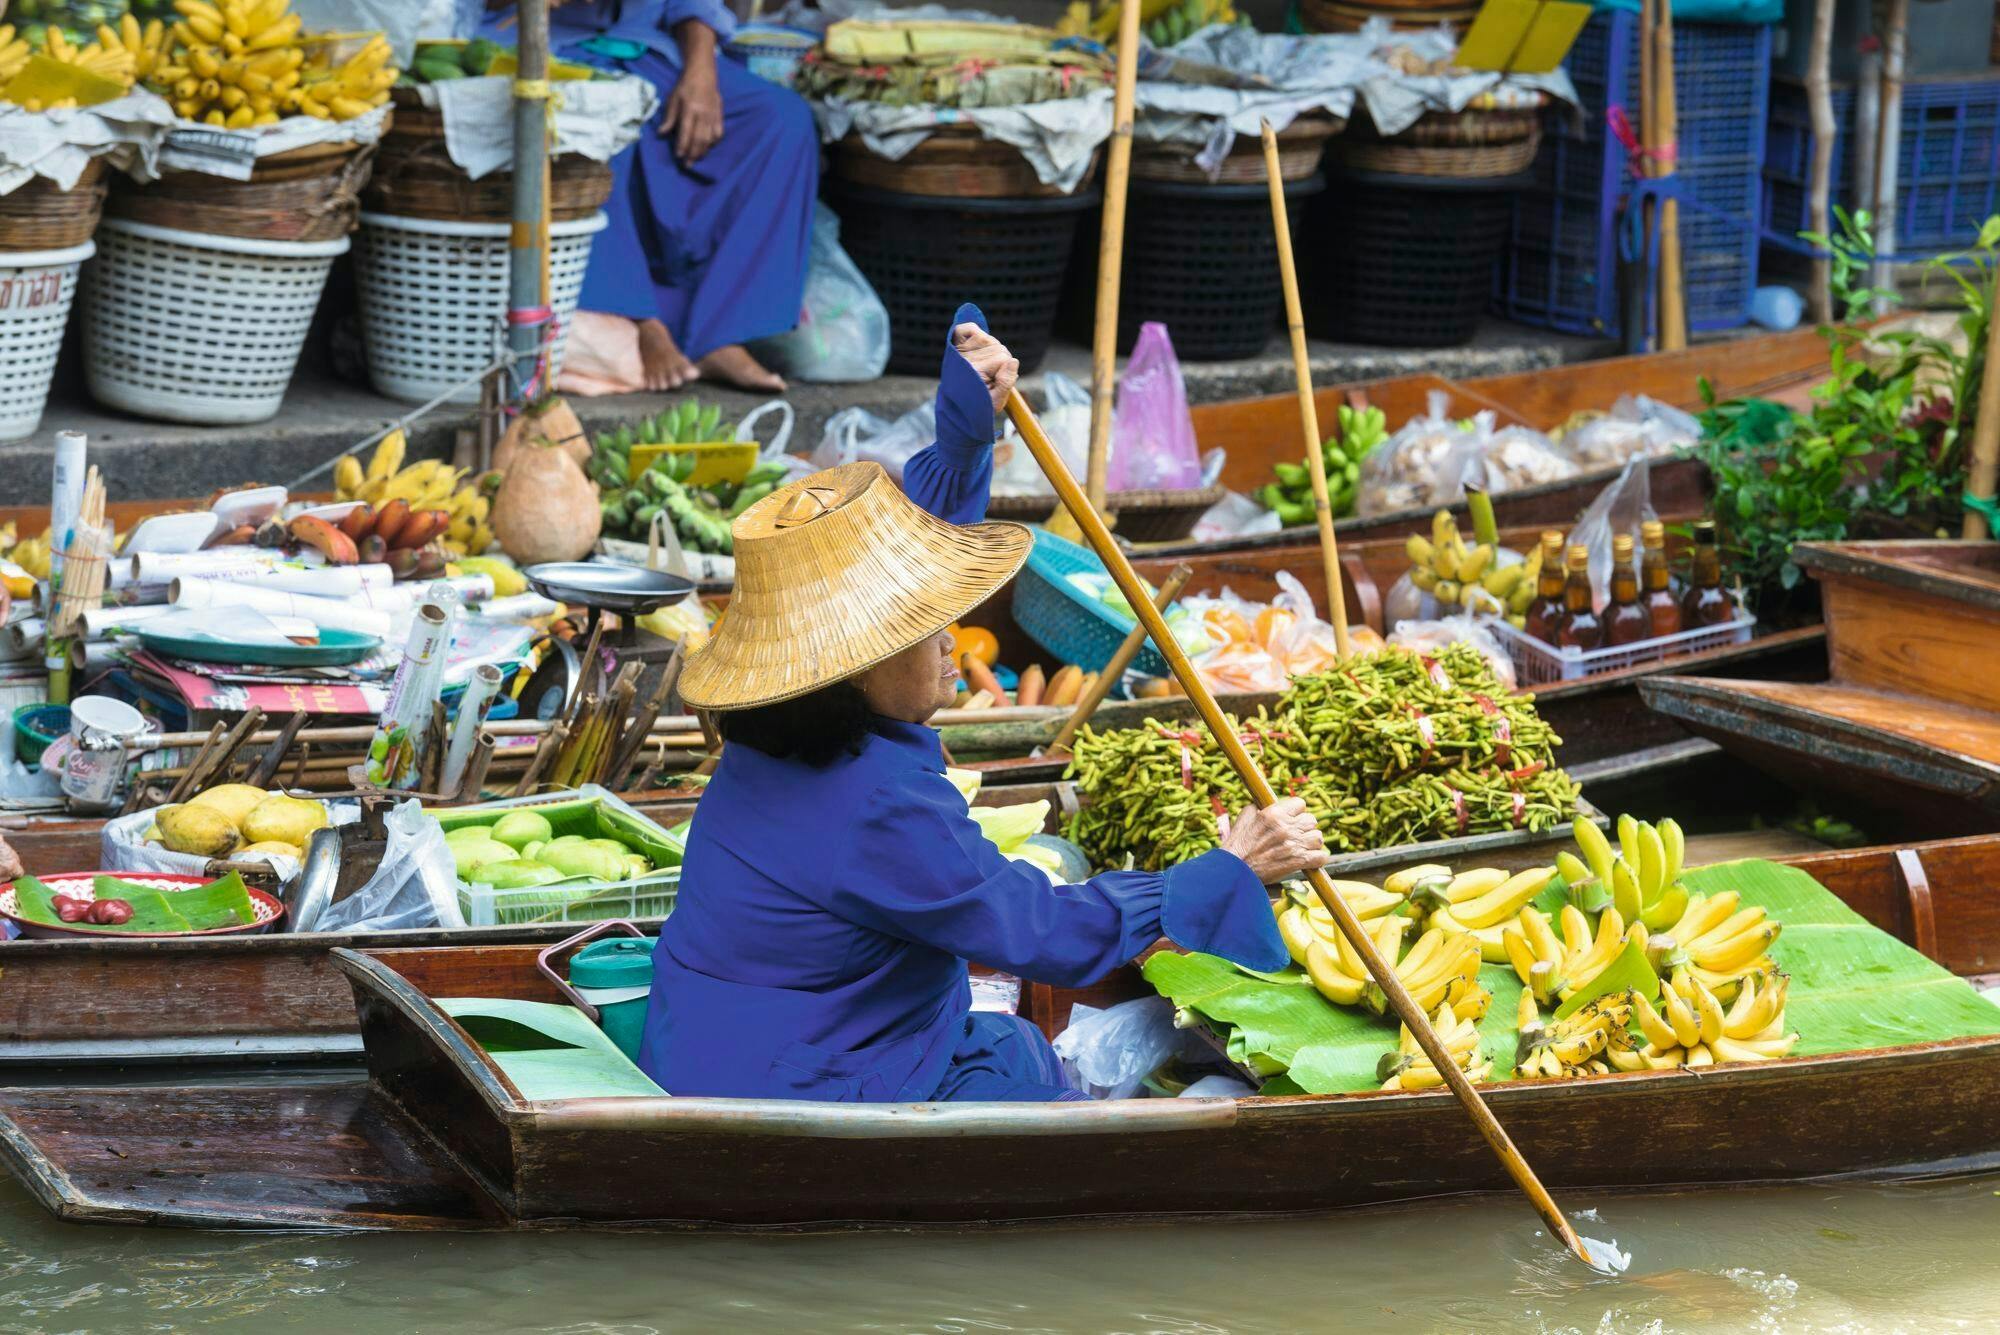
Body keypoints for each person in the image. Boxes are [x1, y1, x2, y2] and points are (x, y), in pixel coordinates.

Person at [642, 305, 1332, 1103]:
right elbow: (1043, 931)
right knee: (1025, 1073)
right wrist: (1226, 870)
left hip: (712, 1042)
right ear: (854, 669)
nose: (949, 640)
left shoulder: (774, 741)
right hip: (794, 1084)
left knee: (1012, 1045)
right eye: (922, 628)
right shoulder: (877, 806)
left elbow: (915, 550)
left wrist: (970, 434)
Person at [482, 0, 818, 393]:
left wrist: (701, 72)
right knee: (597, 128)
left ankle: (720, 335)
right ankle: (643, 324)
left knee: (781, 122)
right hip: (541, 50)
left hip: (649, 49)